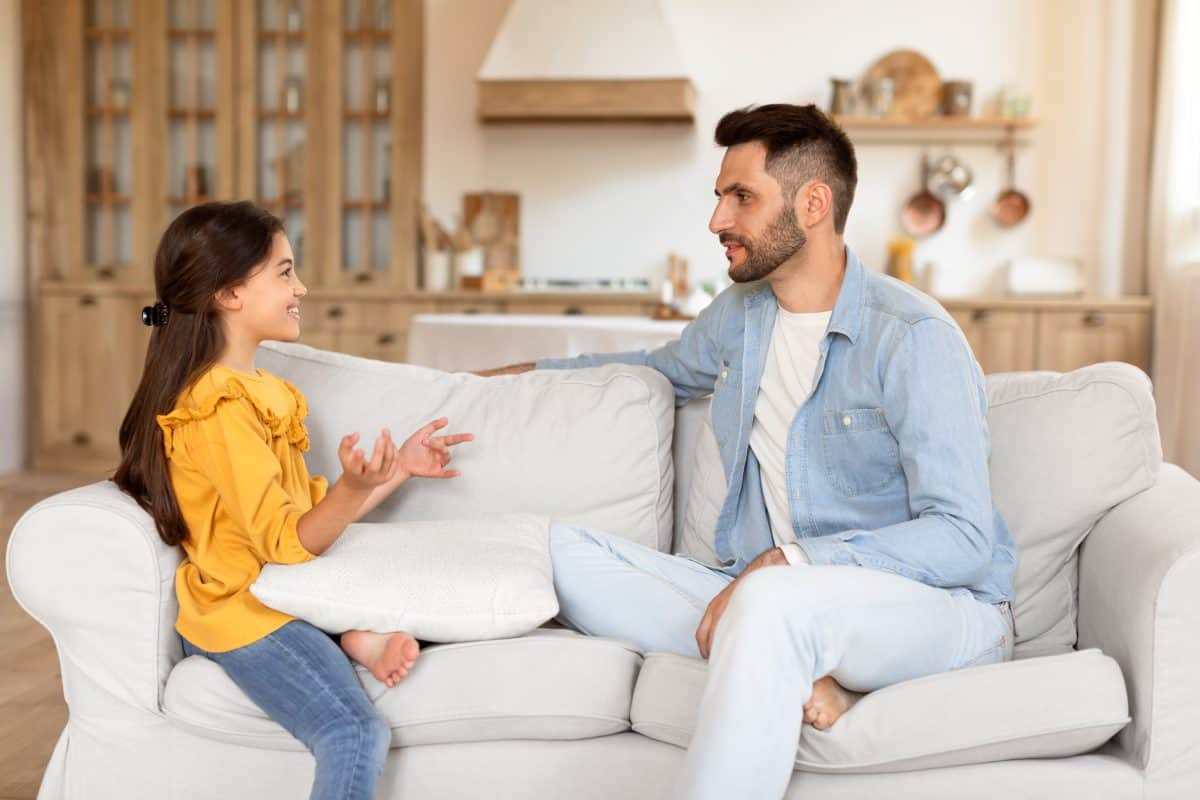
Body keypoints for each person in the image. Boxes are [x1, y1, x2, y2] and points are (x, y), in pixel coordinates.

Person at [479, 104, 1017, 799]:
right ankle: (803, 663)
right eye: (719, 198)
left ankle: (802, 648)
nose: (717, 222)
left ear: (813, 204)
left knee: (767, 605)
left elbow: (965, 540)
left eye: (742, 198)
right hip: (775, 598)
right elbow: (655, 369)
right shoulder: (742, 316)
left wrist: (790, 564)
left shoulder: (912, 337)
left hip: (936, 611)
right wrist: (499, 382)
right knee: (554, 551)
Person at [113, 201, 473, 800]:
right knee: (353, 731)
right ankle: (355, 635)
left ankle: (354, 635)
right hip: (244, 614)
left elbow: (314, 520)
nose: (300, 286)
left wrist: (396, 472)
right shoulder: (221, 407)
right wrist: (353, 487)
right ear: (230, 294)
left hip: (279, 590)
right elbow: (288, 541)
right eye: (284, 272)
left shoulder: (259, 392)